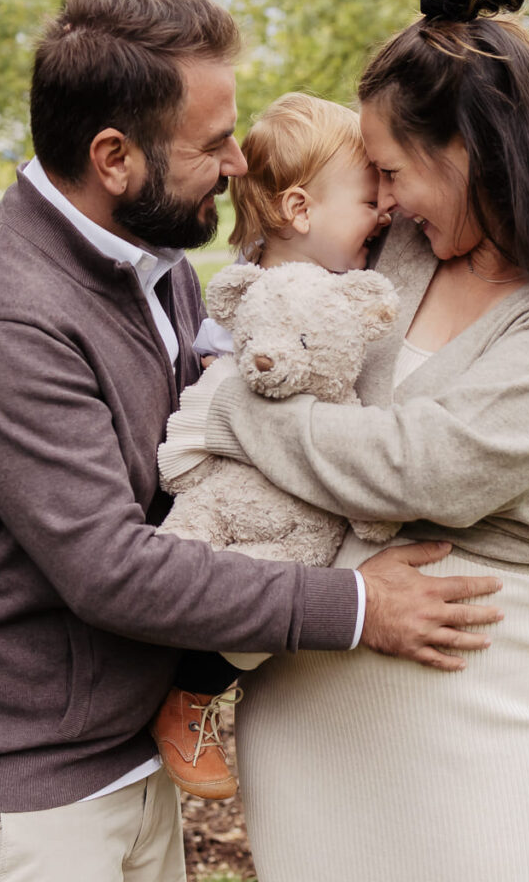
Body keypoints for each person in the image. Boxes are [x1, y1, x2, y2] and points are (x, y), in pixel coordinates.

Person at [0, 0, 503, 882]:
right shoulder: (4, 313)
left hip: (125, 764)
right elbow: (108, 569)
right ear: (114, 158)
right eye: (214, 145)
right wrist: (356, 607)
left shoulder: (160, 269)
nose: (239, 169)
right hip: (20, 805)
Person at [179, 0, 529, 881]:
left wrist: (234, 418)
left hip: (465, 711)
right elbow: (272, 320)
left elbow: (428, 467)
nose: (381, 199)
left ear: (469, 152)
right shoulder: (402, 249)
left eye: (392, 171)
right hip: (306, 705)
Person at [151, 92, 394, 800]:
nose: (382, 216)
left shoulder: (325, 280)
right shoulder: (270, 298)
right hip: (240, 490)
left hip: (285, 495)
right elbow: (223, 394)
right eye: (367, 202)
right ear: (298, 211)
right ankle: (189, 699)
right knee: (238, 584)